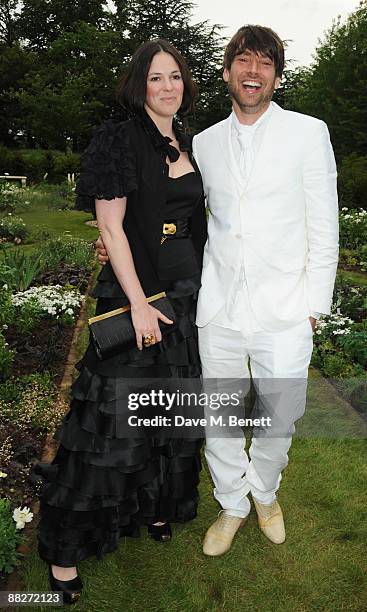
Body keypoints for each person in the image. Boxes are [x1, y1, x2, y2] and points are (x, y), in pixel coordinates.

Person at [97, 25, 339, 557]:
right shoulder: (202, 141)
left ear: (275, 75)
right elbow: (169, 209)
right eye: (243, 62)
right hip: (219, 304)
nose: (253, 72)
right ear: (227, 71)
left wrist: (314, 308)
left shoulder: (308, 132)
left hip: (286, 309)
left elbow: (325, 226)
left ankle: (266, 492)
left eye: (265, 64)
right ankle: (232, 503)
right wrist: (113, 237)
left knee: (280, 417)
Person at [31, 39, 207, 603]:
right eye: (156, 78)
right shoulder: (118, 138)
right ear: (138, 85)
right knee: (111, 424)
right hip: (139, 294)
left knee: (166, 414)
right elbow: (112, 229)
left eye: (175, 76)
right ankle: (63, 554)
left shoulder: (189, 141)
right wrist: (137, 302)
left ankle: (151, 508)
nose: (167, 86)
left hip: (187, 297)